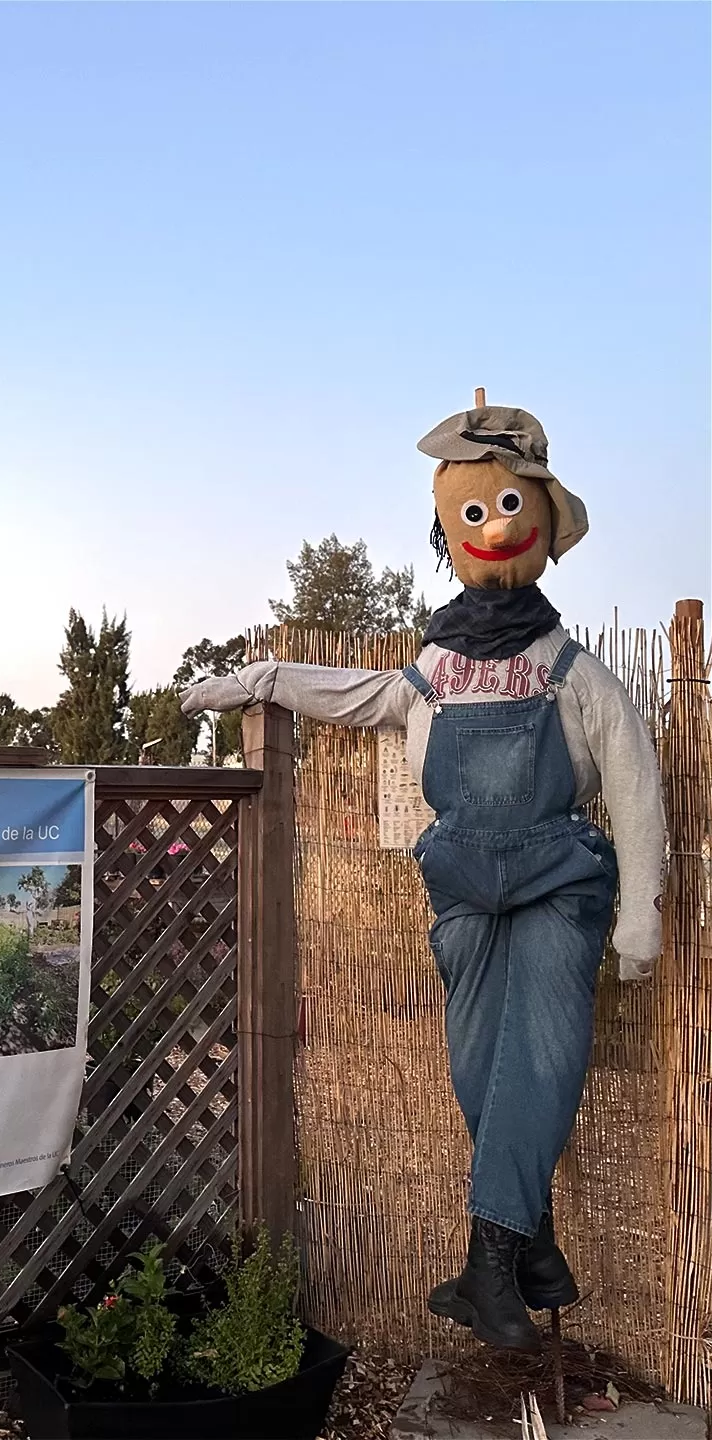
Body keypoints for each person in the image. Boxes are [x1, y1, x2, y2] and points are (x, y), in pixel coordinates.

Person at [181, 405, 664, 1354]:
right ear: (450, 527)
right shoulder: (435, 666)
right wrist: (262, 679)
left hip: (559, 886)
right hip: (461, 897)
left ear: (540, 519)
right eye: (474, 514)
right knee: (477, 1071)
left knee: (544, 1058)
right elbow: (356, 696)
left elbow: (637, 779)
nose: (493, 528)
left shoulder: (570, 669)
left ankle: (490, 1266)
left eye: (509, 509)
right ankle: (536, 1251)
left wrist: (638, 914)